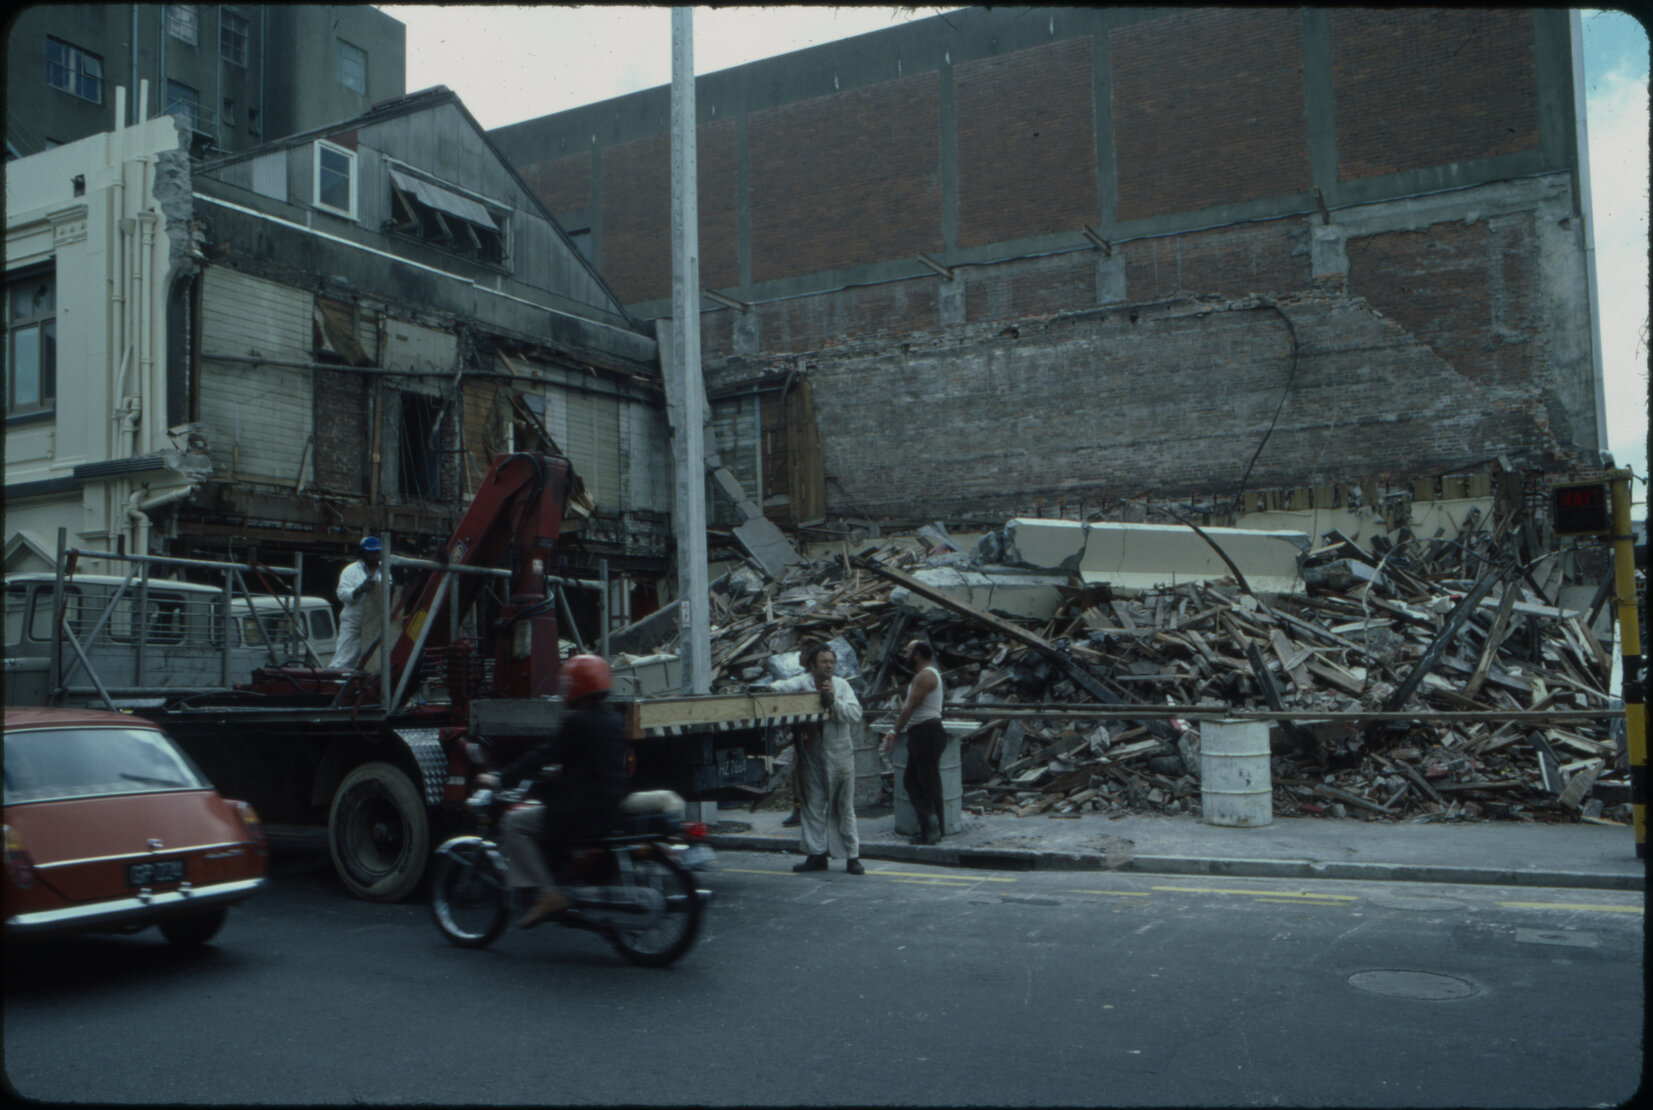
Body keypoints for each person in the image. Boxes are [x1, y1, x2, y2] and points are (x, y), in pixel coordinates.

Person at [476, 654, 630, 928]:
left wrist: (501, 778)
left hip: (579, 814)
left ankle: (547, 893)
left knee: (514, 822)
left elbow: (543, 754)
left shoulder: (577, 722)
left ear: (574, 685)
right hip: (609, 809)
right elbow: (588, 762)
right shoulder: (614, 719)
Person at [772, 643, 865, 874]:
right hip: (811, 754)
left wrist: (834, 702)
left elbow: (855, 714)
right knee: (812, 805)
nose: (829, 666)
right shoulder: (802, 682)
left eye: (831, 661)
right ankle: (816, 855)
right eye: (824, 661)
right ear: (812, 665)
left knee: (843, 807)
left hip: (839, 753)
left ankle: (852, 856)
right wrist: (771, 693)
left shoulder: (842, 686)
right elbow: (780, 687)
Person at [881, 639, 946, 845]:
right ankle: (933, 826)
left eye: (908, 652)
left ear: (917, 655)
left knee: (926, 784)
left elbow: (909, 708)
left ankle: (932, 828)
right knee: (917, 782)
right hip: (926, 732)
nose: (905, 656)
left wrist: (893, 731)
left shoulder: (925, 677)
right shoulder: (928, 674)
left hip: (925, 732)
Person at [328, 536, 383, 671]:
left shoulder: (384, 571)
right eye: (371, 553)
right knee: (344, 660)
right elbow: (342, 594)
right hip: (354, 624)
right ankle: (336, 686)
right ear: (363, 553)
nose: (374, 556)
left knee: (372, 663)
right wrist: (358, 590)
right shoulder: (351, 570)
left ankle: (360, 688)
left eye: (376, 553)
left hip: (374, 624)